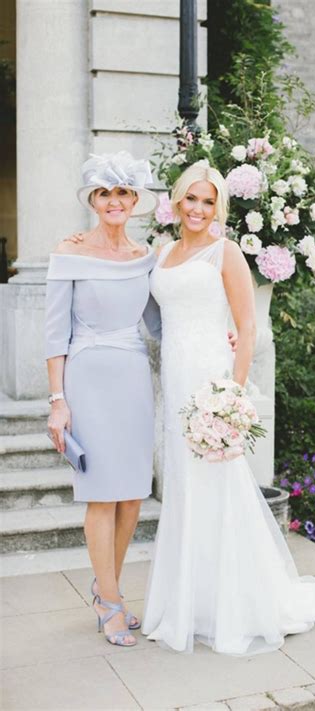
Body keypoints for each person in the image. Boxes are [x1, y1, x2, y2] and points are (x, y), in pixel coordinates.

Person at [141, 162, 315, 655]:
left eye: (209, 201)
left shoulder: (224, 253)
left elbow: (247, 328)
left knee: (219, 489)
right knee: (184, 490)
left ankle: (236, 605)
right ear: (177, 201)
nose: (199, 209)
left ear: (218, 207)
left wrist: (232, 395)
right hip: (175, 382)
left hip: (211, 381)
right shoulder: (161, 254)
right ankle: (190, 604)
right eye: (191, 199)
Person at [46, 151, 162, 647]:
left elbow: (161, 323)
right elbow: (55, 334)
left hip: (134, 378)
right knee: (101, 493)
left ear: (135, 200)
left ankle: (105, 587)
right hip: (87, 381)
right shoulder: (68, 252)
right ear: (93, 200)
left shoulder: (146, 258)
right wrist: (58, 400)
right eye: (104, 193)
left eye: (122, 193)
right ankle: (110, 602)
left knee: (133, 493)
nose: (114, 201)